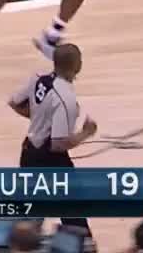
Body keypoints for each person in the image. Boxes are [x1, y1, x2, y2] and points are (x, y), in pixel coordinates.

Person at [8, 43, 98, 239]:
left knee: (31, 214)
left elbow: (14, 102)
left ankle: (18, 246)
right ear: (76, 65)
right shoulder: (66, 98)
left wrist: (39, 118)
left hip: (29, 152)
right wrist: (86, 133)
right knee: (73, 215)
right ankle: (84, 247)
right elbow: (58, 144)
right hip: (51, 160)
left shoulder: (38, 79)